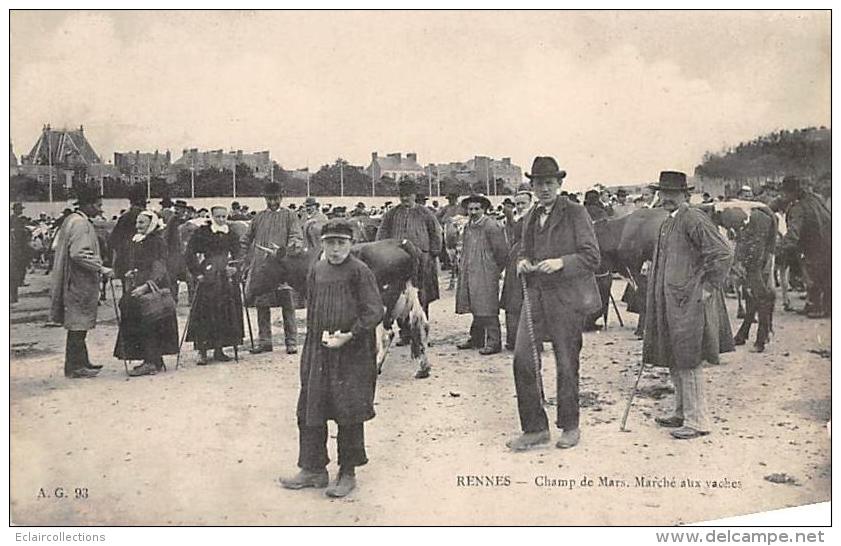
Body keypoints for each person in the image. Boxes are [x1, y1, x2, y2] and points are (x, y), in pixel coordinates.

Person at [279, 219, 384, 498]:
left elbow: (374, 311)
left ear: (351, 244)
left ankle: (347, 471)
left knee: (348, 410)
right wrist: (314, 344)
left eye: (341, 243)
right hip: (319, 349)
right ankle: (313, 469)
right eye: (330, 243)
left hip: (352, 353)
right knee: (311, 406)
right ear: (322, 244)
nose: (335, 249)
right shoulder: (317, 269)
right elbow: (312, 305)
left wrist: (349, 335)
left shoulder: (360, 272)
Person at [507, 157, 602, 451]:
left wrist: (561, 263)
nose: (544, 189)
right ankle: (535, 428)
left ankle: (570, 426)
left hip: (566, 299)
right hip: (534, 297)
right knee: (522, 358)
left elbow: (592, 256)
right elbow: (525, 249)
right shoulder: (533, 215)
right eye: (538, 184)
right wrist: (523, 261)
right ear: (532, 186)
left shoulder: (575, 213)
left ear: (559, 184)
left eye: (549, 183)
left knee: (566, 362)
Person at [642, 171, 734, 440]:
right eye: (663, 192)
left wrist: (707, 287)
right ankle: (681, 411)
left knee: (689, 356)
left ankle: (698, 420)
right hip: (671, 301)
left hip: (689, 301)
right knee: (674, 354)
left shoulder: (692, 217)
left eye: (673, 193)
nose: (666, 198)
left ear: (685, 194)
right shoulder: (668, 222)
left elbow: (723, 252)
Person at [49, 186, 114, 378]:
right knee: (78, 324)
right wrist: (101, 268)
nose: (100, 209)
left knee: (79, 324)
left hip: (75, 281)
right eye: (98, 205)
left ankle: (81, 362)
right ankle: (75, 367)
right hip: (78, 282)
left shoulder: (73, 220)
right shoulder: (80, 224)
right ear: (88, 205)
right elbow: (79, 253)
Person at [376, 178, 443, 344]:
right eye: (402, 196)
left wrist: (433, 254)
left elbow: (436, 234)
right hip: (397, 262)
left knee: (421, 297)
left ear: (414, 195)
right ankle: (405, 333)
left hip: (421, 261)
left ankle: (420, 333)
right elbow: (381, 236)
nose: (405, 199)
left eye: (408, 195)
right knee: (399, 297)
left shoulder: (425, 213)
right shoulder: (391, 214)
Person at [114, 210, 179, 376]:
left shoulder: (156, 241)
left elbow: (159, 266)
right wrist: (129, 273)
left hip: (151, 285)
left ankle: (151, 361)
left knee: (150, 321)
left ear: (151, 223)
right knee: (137, 317)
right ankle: (153, 359)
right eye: (137, 222)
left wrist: (147, 286)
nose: (138, 226)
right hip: (137, 283)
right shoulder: (137, 240)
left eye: (142, 223)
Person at [241, 182, 304, 354]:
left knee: (287, 305)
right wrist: (242, 259)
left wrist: (286, 250)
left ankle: (291, 341)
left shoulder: (290, 216)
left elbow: (297, 237)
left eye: (275, 198)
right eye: (269, 199)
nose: (272, 202)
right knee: (262, 305)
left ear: (281, 197)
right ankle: (265, 341)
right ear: (265, 198)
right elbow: (246, 239)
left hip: (283, 268)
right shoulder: (258, 217)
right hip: (262, 268)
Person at [185, 205, 245, 365]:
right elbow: (190, 253)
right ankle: (202, 351)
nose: (221, 219)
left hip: (225, 275)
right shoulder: (202, 232)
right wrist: (197, 273)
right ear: (212, 216)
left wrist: (235, 267)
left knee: (226, 310)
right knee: (205, 310)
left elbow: (239, 253)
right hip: (209, 273)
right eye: (218, 216)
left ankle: (220, 349)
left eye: (223, 217)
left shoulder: (231, 233)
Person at [455, 194, 509, 355]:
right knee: (475, 303)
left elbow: (502, 252)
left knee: (487, 305)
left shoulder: (491, 226)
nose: (473, 212)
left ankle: (494, 341)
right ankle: (476, 338)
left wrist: (493, 269)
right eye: (470, 209)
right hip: (470, 268)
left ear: (484, 209)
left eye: (477, 209)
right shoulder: (468, 226)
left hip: (486, 270)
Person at [775, 175, 831, 318]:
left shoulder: (798, 208)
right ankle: (816, 305)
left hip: (814, 246)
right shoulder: (815, 199)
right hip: (828, 241)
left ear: (790, 192)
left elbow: (793, 233)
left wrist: (779, 249)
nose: (783, 196)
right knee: (826, 274)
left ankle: (819, 308)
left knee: (815, 276)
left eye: (784, 192)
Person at [732, 205, 778, 353]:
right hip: (758, 255)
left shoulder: (756, 216)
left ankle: (761, 338)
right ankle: (743, 334)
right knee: (753, 296)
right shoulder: (758, 213)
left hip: (752, 258)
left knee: (759, 295)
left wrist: (746, 262)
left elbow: (755, 241)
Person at [500, 186, 535, 350]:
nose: (520, 206)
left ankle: (532, 341)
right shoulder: (516, 218)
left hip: (528, 260)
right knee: (512, 301)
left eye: (523, 203)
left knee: (528, 301)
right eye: (517, 203)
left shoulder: (534, 219)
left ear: (530, 202)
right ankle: (513, 340)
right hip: (514, 260)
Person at [109, 185, 147, 288]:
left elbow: (113, 240)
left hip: (126, 258)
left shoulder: (124, 217)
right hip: (145, 258)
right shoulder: (149, 216)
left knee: (128, 289)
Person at [11, 202, 32, 303]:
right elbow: (21, 237)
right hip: (17, 250)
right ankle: (13, 296)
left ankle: (13, 295)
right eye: (19, 209)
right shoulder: (17, 220)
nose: (20, 211)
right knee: (15, 272)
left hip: (15, 249)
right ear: (15, 210)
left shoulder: (12, 219)